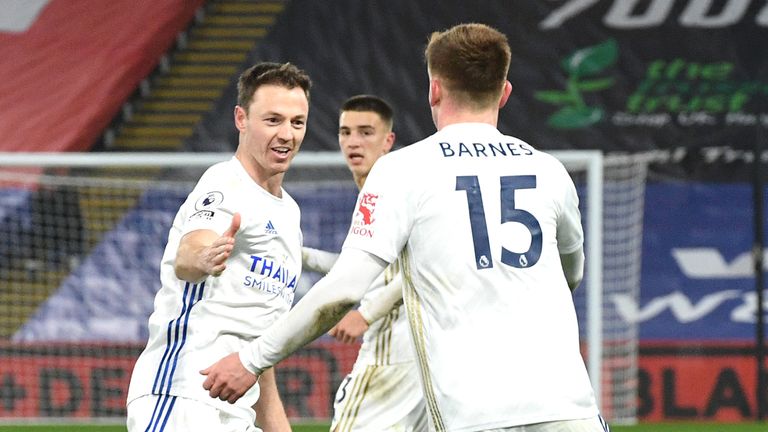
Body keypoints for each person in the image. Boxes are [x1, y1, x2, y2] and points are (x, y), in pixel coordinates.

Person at [201, 23, 610, 432]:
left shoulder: (404, 170)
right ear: (504, 92)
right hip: (571, 411)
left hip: (475, 417)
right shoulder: (549, 170)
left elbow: (344, 289)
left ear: (433, 89)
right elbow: (570, 273)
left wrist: (252, 359)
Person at [126, 61, 311, 432]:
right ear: (241, 119)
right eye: (272, 120)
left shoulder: (288, 212)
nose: (287, 134)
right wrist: (203, 257)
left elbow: (261, 350)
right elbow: (189, 253)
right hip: (181, 394)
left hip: (236, 405)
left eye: (297, 122)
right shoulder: (225, 184)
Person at [302, 95, 427, 431]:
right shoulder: (378, 191)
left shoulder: (396, 191)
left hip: (392, 353)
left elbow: (424, 267)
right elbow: (366, 271)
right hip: (424, 360)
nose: (353, 142)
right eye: (346, 132)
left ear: (388, 140)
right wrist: (299, 255)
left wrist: (365, 314)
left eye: (365, 132)